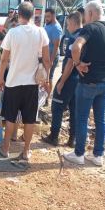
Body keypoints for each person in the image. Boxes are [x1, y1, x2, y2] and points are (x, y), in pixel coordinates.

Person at [64, 1, 105, 166]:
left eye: (85, 14)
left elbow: (75, 47)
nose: (84, 17)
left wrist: (78, 64)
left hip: (88, 81)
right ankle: (97, 155)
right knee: (100, 119)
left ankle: (79, 154)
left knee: (82, 118)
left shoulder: (90, 28)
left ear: (91, 14)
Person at [0, 1, 51, 160]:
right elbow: (47, 60)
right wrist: (47, 80)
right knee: (29, 119)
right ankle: (26, 151)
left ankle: (5, 148)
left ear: (18, 15)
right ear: (33, 15)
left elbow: (4, 59)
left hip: (13, 82)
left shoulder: (12, 33)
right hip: (32, 84)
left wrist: (1, 78)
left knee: (10, 117)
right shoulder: (41, 32)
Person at [42, 11, 83, 148]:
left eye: (68, 25)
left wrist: (62, 82)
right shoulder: (86, 36)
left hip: (70, 77)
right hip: (80, 79)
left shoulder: (74, 38)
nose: (67, 28)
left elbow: (70, 63)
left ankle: (54, 136)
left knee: (57, 105)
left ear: (73, 23)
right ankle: (73, 138)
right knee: (74, 108)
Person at [44, 7, 63, 107]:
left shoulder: (56, 28)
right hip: (46, 56)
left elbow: (56, 46)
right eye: (46, 16)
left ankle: (47, 99)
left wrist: (51, 60)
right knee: (45, 77)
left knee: (49, 77)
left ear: (54, 16)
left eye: (48, 16)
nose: (46, 18)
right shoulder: (48, 25)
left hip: (52, 57)